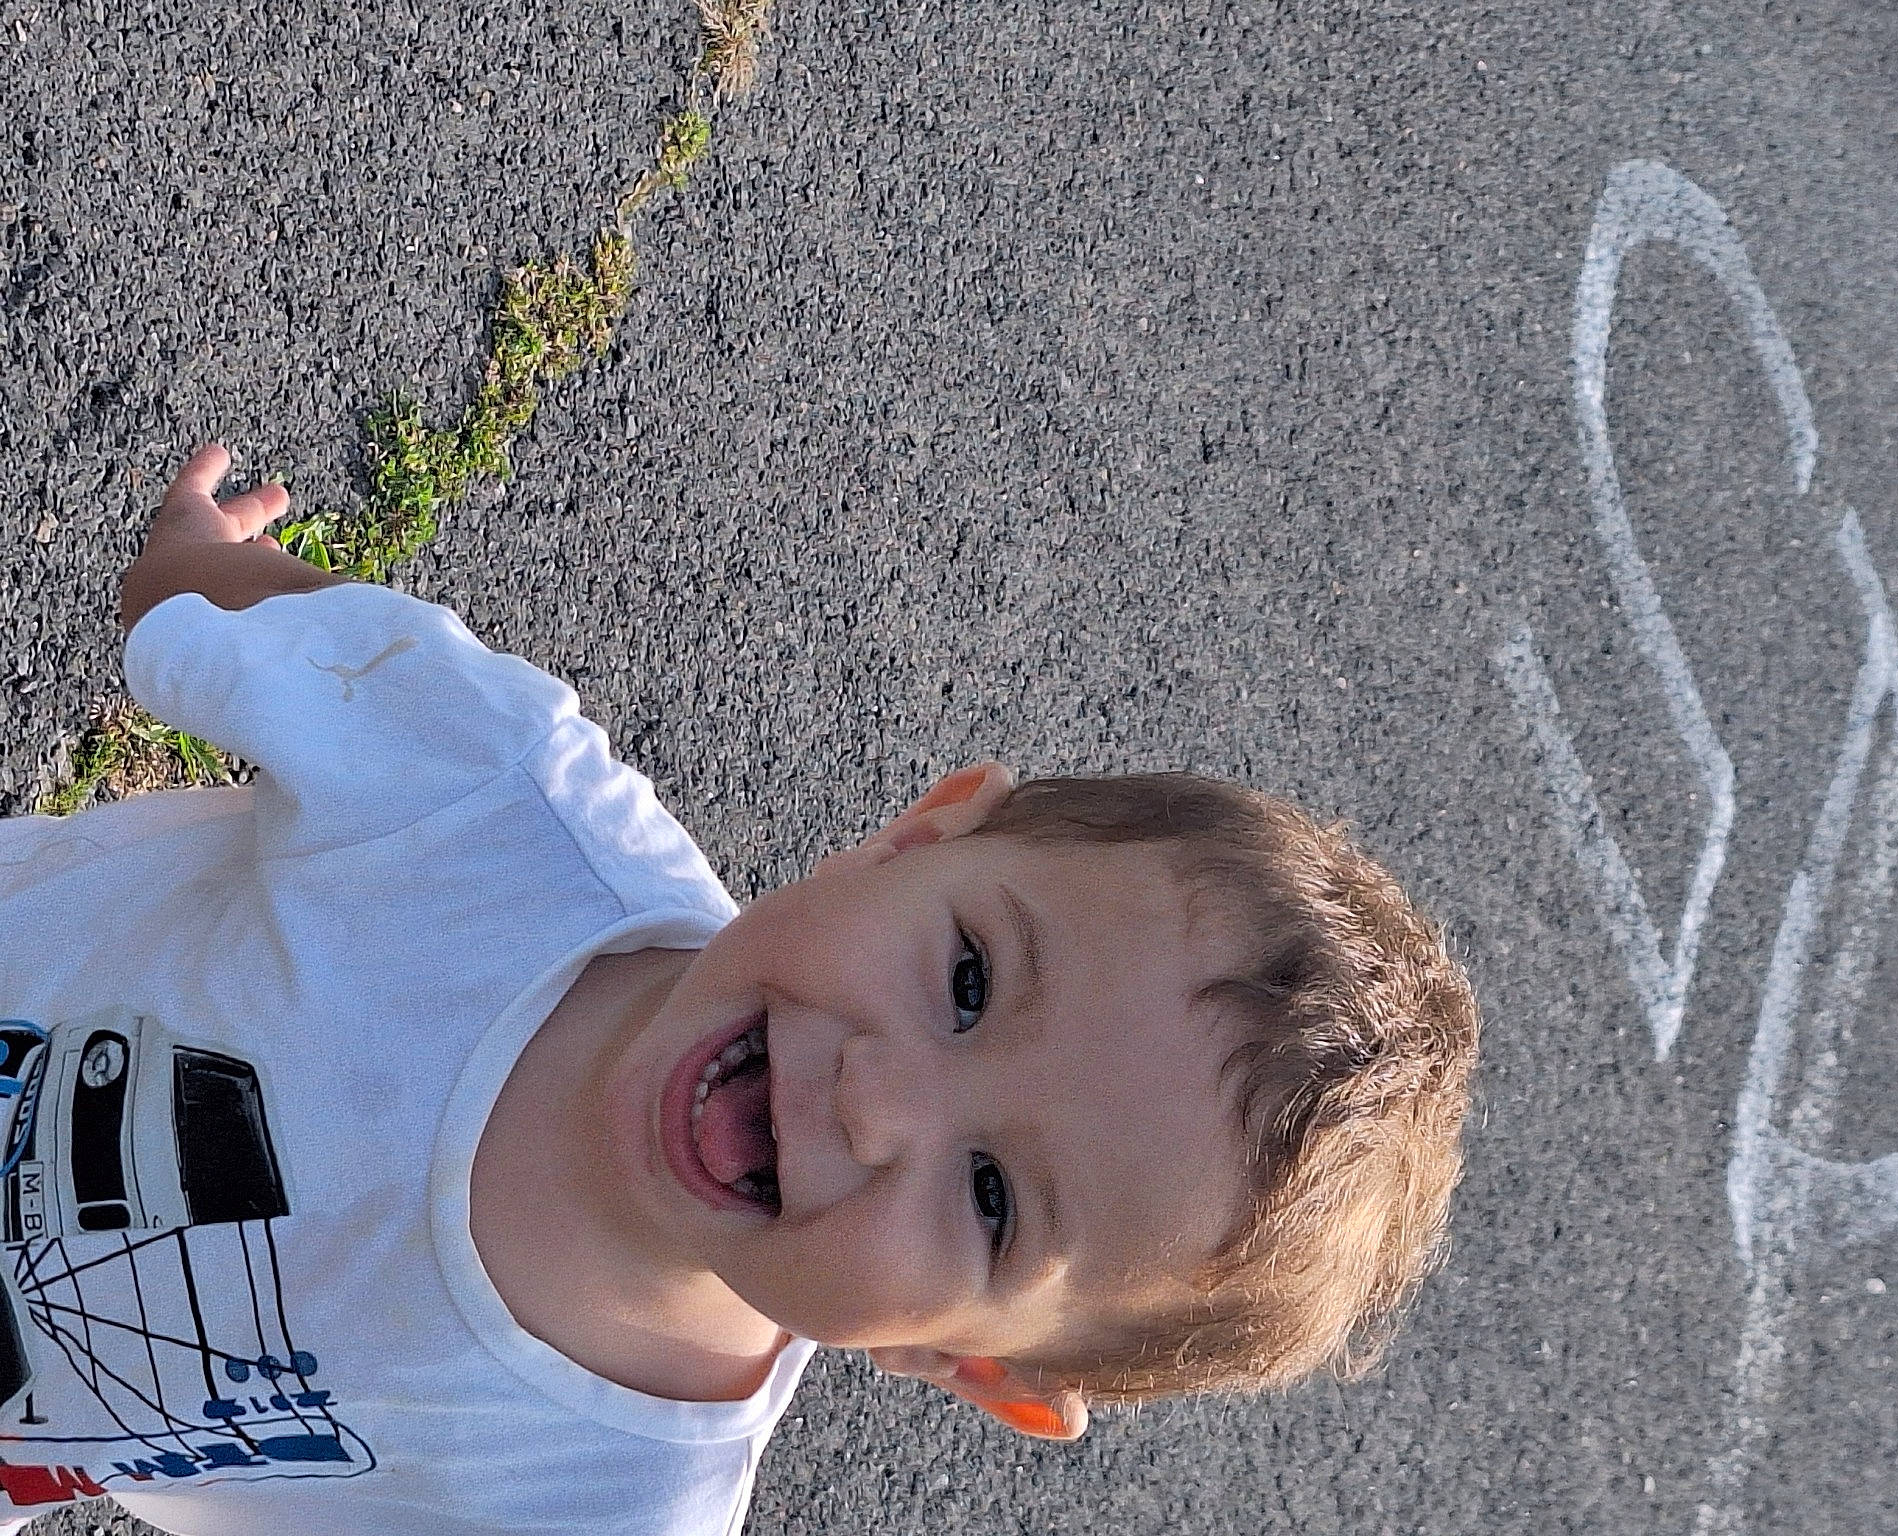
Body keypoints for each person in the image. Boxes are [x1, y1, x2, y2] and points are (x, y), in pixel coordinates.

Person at [0, 444, 1479, 1535]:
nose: (879, 1099)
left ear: (963, 1362)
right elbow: (195, 606)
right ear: (926, 829)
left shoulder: (605, 1504)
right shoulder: (495, 810)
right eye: (968, 978)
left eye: (990, 1202)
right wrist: (210, 567)